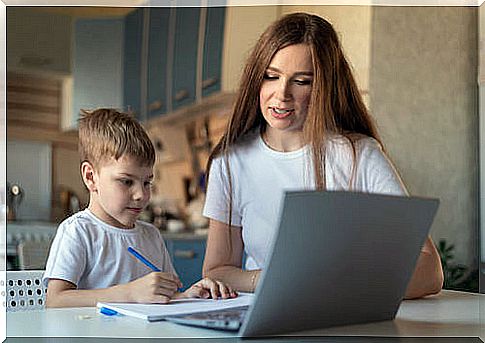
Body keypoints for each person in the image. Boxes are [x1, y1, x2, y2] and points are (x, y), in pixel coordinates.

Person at [202, 12, 443, 299]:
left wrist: (339, 289)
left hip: (346, 317)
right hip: (268, 318)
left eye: (301, 81)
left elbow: (430, 270)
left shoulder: (358, 154)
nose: (282, 94)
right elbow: (217, 270)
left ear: (323, 88)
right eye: (271, 76)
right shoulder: (230, 162)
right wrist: (268, 281)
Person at [44, 108, 236, 308]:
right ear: (91, 177)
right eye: (127, 182)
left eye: (147, 182)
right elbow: (55, 300)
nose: (141, 195)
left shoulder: (151, 236)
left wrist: (189, 295)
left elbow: (164, 299)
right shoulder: (78, 231)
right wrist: (129, 293)